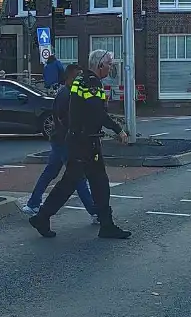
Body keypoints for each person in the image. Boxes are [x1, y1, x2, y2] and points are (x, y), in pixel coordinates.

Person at [30, 49, 131, 240]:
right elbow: (97, 112)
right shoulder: (91, 83)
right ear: (99, 64)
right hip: (85, 142)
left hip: (81, 140)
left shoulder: (82, 80)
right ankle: (45, 217)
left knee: (83, 182)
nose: (111, 67)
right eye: (109, 63)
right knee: (89, 182)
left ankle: (44, 217)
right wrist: (118, 129)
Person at [22, 64, 99, 224]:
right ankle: (94, 211)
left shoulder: (67, 93)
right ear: (70, 78)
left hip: (59, 140)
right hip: (65, 141)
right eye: (78, 76)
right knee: (78, 177)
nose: (81, 79)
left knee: (51, 172)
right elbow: (67, 120)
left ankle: (33, 203)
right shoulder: (67, 95)